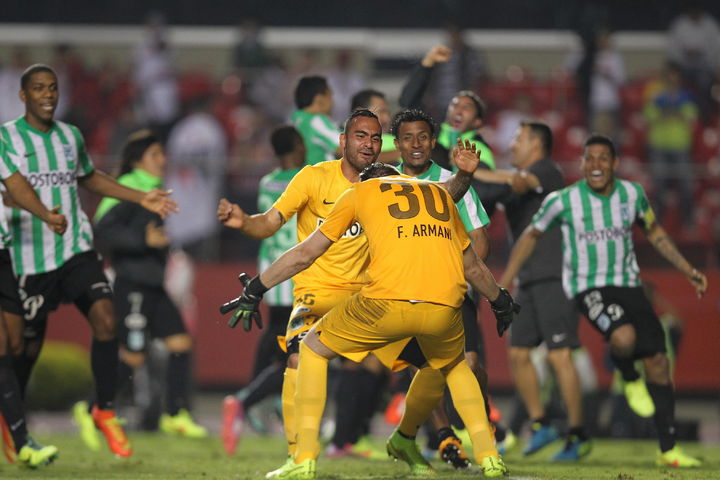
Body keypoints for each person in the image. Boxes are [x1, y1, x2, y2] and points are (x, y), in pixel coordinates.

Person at [216, 109, 478, 477]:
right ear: (342, 141)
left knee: (435, 366)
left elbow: (443, 196)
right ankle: (299, 457)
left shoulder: (391, 182)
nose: (369, 145)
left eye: (375, 138)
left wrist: (464, 175)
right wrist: (244, 222)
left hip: (370, 299)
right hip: (317, 294)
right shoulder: (313, 178)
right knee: (296, 359)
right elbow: (270, 223)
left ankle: (411, 437)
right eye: (360, 136)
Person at [0, 64, 177, 458]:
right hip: (30, 257)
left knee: (105, 317)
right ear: (23, 95)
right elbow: (12, 188)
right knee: (23, 349)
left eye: (53, 88)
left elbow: (89, 176)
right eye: (39, 89)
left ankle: (104, 409)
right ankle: (17, 424)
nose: (48, 95)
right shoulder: (7, 138)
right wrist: (38, 212)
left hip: (76, 248)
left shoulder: (69, 136)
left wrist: (139, 196)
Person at [501, 133, 708, 468]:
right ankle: (627, 373)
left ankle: (668, 449)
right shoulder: (564, 200)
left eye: (602, 158)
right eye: (589, 158)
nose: (595, 164)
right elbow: (531, 234)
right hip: (589, 287)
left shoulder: (632, 194)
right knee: (623, 337)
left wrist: (687, 268)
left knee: (658, 362)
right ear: (581, 164)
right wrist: (506, 280)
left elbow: (654, 231)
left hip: (629, 285)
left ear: (614, 163)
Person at [473, 121, 589, 460]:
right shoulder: (514, 180)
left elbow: (517, 180)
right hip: (528, 278)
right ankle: (541, 424)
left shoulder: (547, 172)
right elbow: (500, 190)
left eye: (519, 138)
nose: (512, 144)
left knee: (559, 354)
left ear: (536, 144)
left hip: (556, 274)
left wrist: (475, 171)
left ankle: (578, 434)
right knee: (519, 353)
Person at [90, 129, 207, 441]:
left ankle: (175, 414)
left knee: (181, 343)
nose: (163, 160)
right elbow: (101, 230)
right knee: (134, 357)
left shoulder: (153, 189)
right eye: (155, 154)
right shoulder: (128, 189)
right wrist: (142, 239)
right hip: (134, 285)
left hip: (154, 284)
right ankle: (93, 408)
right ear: (137, 160)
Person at [393, 108, 494, 466]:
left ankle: (480, 417)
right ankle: (444, 435)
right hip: (404, 294)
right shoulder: (385, 184)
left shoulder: (454, 180)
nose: (416, 144)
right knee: (423, 368)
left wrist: (465, 280)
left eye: (423, 136)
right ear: (398, 143)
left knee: (469, 363)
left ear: (433, 142)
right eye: (408, 137)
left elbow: (479, 238)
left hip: (452, 292)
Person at [222, 125, 305, 453]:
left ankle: (258, 400)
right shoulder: (306, 178)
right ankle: (250, 400)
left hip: (273, 276)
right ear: (298, 145)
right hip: (298, 276)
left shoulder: (267, 182)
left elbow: (266, 221)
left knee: (280, 344)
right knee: (298, 354)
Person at [0, 139, 66, 468]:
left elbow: (14, 187)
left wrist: (44, 215)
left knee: (15, 344)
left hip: (2, 256)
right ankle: (23, 442)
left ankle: (12, 424)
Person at [399, 45, 495, 173]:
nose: (459, 110)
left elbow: (482, 184)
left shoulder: (479, 148)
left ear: (477, 121)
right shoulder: (430, 132)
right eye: (455, 105)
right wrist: (428, 62)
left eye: (467, 107)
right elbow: (407, 100)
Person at [643, 61, 698, 231]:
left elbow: (690, 117)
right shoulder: (656, 95)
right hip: (659, 145)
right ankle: (656, 221)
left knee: (686, 185)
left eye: (675, 75)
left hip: (680, 145)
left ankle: (688, 222)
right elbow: (649, 115)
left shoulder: (686, 97)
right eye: (669, 75)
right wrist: (674, 113)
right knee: (658, 185)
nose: (672, 78)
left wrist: (666, 113)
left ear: (679, 78)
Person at [290, 76, 342, 165]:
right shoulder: (316, 121)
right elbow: (344, 149)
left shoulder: (293, 121)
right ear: (319, 99)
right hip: (320, 177)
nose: (332, 103)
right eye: (330, 96)